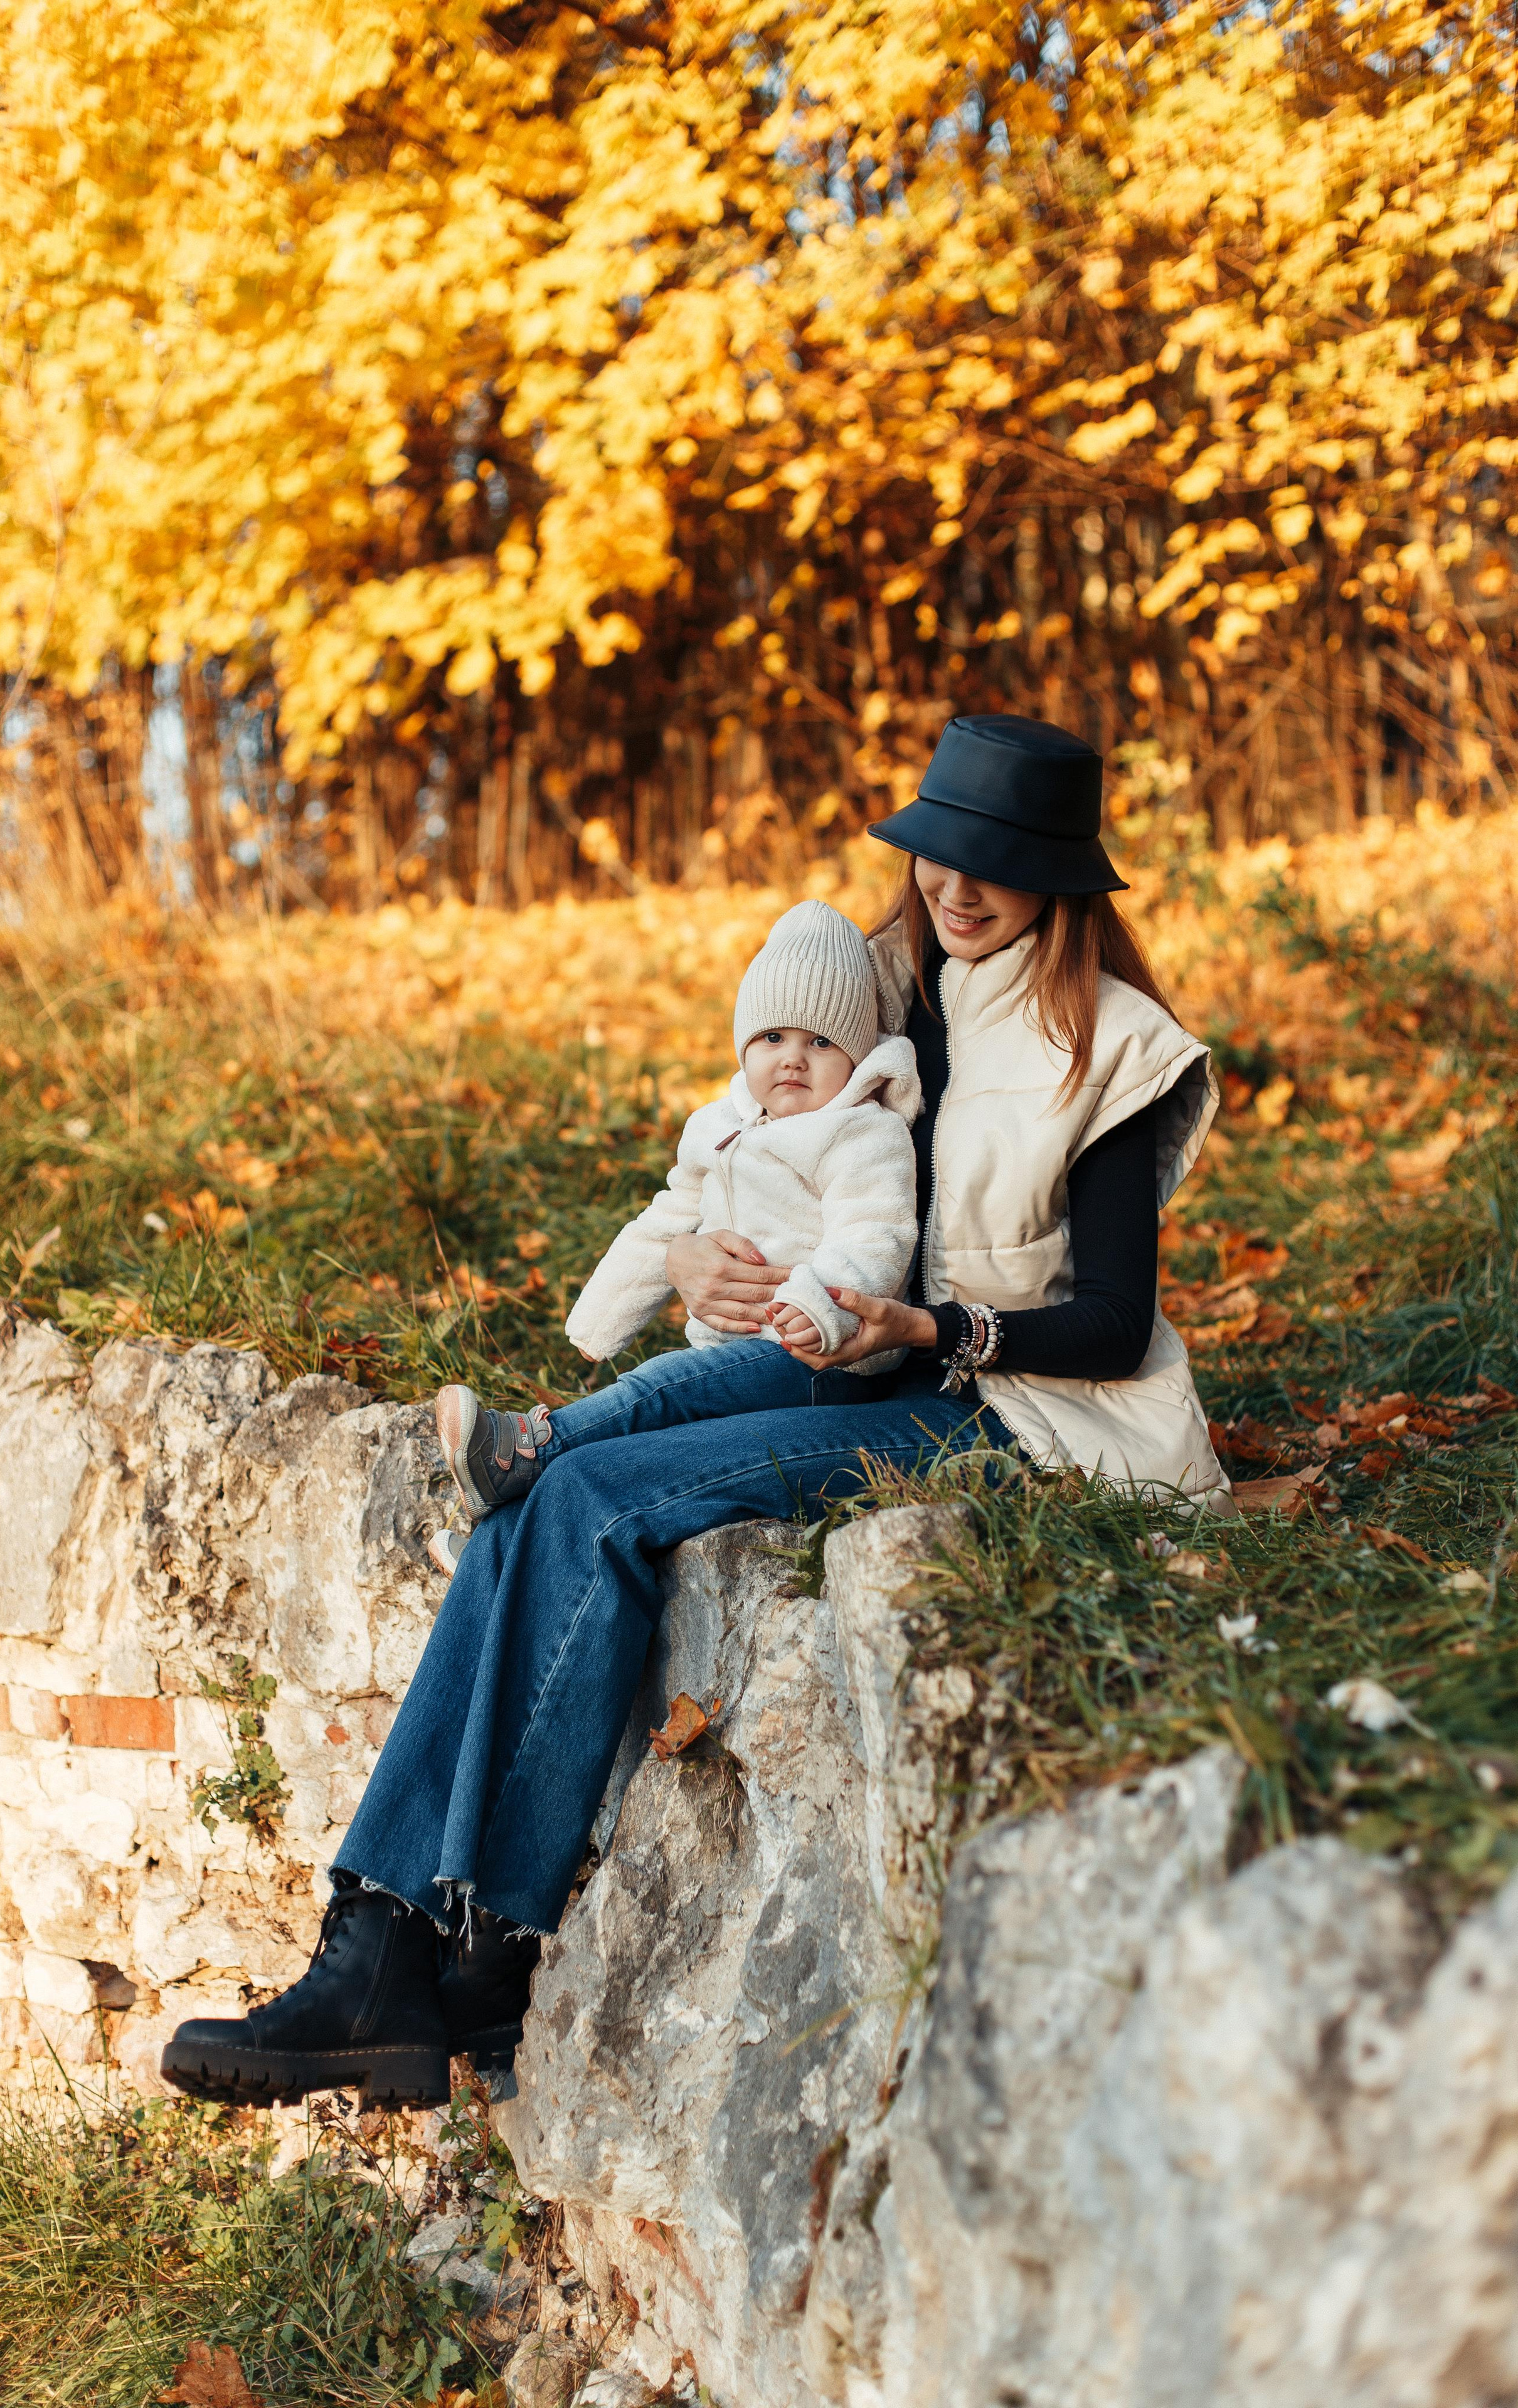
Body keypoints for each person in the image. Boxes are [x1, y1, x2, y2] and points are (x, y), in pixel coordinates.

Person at [161, 712, 1226, 2113]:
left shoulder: (1110, 1045)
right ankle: (405, 1945)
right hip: (850, 1361)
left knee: (598, 1498)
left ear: (1064, 881)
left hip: (1020, 1418)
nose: (955, 893)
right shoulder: (881, 986)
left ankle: (460, 1957)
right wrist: (686, 1261)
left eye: (995, 868)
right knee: (535, 1494)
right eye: (932, 860)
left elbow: (1105, 1323)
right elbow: (749, 1153)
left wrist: (925, 1326)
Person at [432, 898, 921, 1546]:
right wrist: (600, 1320)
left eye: (820, 1042)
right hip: (729, 1349)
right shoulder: (717, 1129)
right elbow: (664, 1222)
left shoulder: (863, 1134)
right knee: (660, 1420)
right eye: (773, 1038)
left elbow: (876, 1233)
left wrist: (818, 1305)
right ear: (745, 1045)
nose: (792, 1060)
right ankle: (500, 1529)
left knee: (658, 1391)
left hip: (820, 1363)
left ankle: (527, 1444)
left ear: (857, 1056)